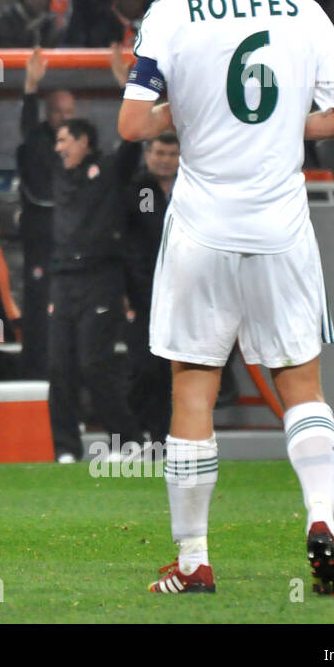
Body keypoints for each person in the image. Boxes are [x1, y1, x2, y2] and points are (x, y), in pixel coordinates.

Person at [118, 0, 334, 597]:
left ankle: (193, 561)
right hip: (280, 228)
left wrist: (185, 113)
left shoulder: (171, 13)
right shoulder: (304, 11)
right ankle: (320, 517)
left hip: (202, 229)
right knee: (301, 386)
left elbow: (133, 126)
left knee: (193, 387)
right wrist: (287, 124)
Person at [47, 116, 145, 463]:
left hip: (101, 277)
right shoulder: (58, 175)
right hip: (63, 280)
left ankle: (128, 441)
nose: (58, 148)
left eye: (64, 140)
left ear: (84, 141)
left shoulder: (109, 170)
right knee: (59, 366)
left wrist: (132, 95)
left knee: (94, 363)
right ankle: (66, 449)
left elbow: (131, 147)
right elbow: (29, 147)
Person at [18, 48, 75, 380]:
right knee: (38, 304)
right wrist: (30, 87)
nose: (63, 118)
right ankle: (35, 373)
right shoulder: (36, 142)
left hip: (73, 241)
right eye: (57, 111)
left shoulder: (83, 146)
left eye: (68, 112)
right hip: (41, 238)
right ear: (47, 113)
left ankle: (68, 373)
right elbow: (27, 128)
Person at [123, 131, 179, 440]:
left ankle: (163, 437)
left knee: (172, 369)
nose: (165, 160)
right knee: (143, 366)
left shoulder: (190, 189)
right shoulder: (136, 190)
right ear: (147, 155)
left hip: (182, 294)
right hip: (142, 294)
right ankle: (132, 433)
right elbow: (124, 243)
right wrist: (124, 291)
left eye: (171, 154)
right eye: (159, 153)